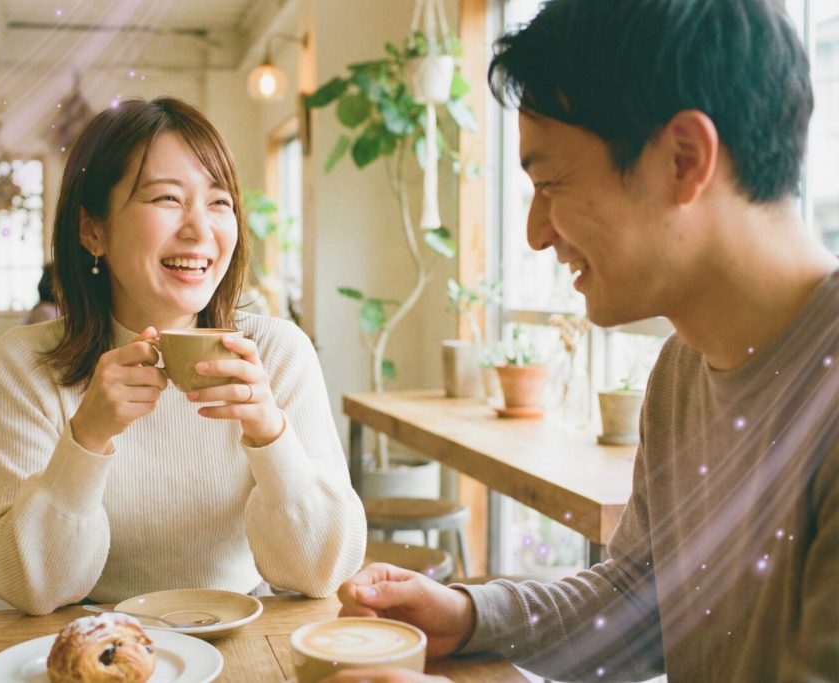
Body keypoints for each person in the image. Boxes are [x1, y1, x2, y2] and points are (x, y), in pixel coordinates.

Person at [331, 0, 839, 681]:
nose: (536, 232)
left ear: (685, 159)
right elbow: (643, 599)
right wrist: (471, 615)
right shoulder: (682, 368)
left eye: (550, 183)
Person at [0, 97, 366, 615]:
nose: (200, 230)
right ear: (93, 230)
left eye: (219, 202)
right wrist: (86, 437)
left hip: (242, 631)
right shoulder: (25, 364)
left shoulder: (277, 353)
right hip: (93, 637)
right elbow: (28, 587)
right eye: (167, 199)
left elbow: (321, 573)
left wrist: (269, 433)